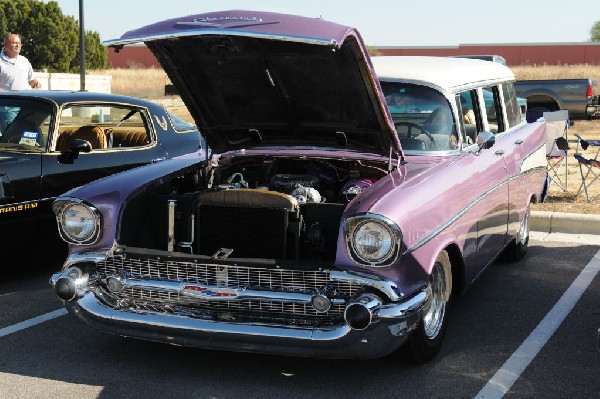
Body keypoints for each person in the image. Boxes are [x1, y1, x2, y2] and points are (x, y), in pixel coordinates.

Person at [0, 33, 41, 136]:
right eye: (14, 43)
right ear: (5, 45)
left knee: (33, 133)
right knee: (12, 136)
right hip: (8, 107)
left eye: (19, 43)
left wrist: (35, 83)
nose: (18, 45)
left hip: (26, 106)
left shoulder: (24, 61)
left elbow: (30, 81)